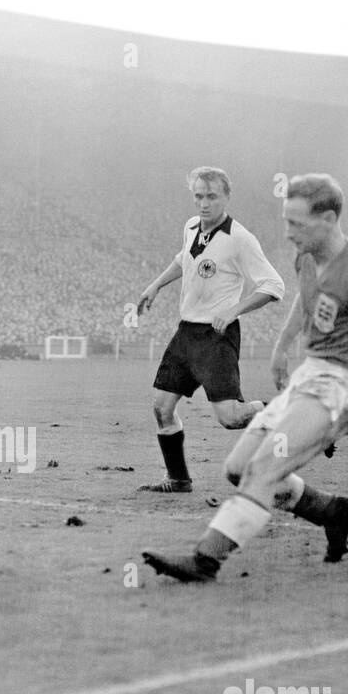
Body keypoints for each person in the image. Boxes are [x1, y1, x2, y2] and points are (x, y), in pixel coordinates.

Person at [143, 173, 348, 583]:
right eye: (285, 222)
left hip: (340, 389)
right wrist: (282, 346)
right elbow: (304, 306)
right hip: (308, 377)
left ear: (327, 218)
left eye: (296, 224)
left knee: (263, 469)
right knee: (237, 468)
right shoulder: (306, 256)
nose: (287, 233)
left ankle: (204, 561)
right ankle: (330, 511)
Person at [134, 166, 285, 493]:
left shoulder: (240, 239)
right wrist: (155, 285)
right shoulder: (190, 227)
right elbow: (182, 259)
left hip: (216, 339)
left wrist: (234, 310)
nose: (204, 203)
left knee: (230, 418)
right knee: (161, 407)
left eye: (212, 196)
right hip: (186, 333)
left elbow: (274, 285)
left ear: (227, 197)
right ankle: (178, 479)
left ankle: (280, 411)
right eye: (198, 196)